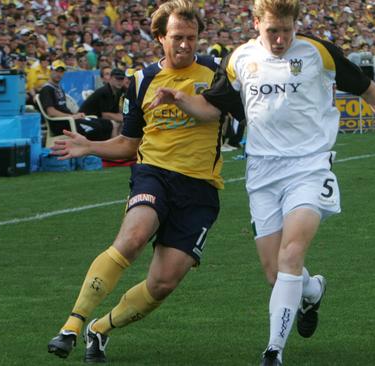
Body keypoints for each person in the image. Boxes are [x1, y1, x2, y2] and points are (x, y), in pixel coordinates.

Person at [148, 0, 375, 364]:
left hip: (309, 168)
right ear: (255, 23)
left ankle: (273, 351)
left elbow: (369, 91)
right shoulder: (239, 60)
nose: (279, 39)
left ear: (296, 23)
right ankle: (312, 291)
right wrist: (183, 100)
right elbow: (213, 107)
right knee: (275, 272)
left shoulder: (318, 53)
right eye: (271, 31)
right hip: (262, 173)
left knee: (291, 254)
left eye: (286, 31)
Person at [46, 0, 235, 363]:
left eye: (191, 38)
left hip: (200, 189)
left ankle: (99, 329)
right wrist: (90, 145)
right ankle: (71, 325)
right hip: (154, 175)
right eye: (177, 37)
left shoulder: (215, 72)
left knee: (163, 283)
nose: (185, 45)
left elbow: (224, 112)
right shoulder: (142, 80)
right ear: (160, 37)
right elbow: (129, 144)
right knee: (132, 237)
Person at [38, 60, 113, 141]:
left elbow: (63, 109)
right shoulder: (47, 89)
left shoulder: (59, 88)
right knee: (96, 128)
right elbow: (51, 112)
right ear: (50, 71)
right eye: (56, 71)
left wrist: (76, 114)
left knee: (106, 123)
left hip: (70, 120)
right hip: (60, 124)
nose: (59, 74)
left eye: (61, 72)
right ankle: (95, 150)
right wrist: (71, 116)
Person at [79, 68, 126, 137]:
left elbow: (116, 112)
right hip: (86, 118)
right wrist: (124, 118)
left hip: (97, 118)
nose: (119, 82)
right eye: (117, 79)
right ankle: (114, 146)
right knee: (114, 124)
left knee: (121, 123)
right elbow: (105, 114)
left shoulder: (118, 92)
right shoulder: (104, 91)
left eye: (122, 79)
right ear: (110, 78)